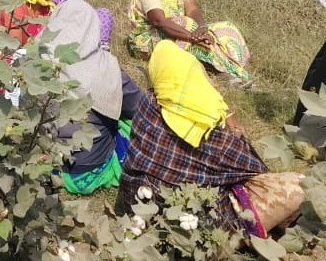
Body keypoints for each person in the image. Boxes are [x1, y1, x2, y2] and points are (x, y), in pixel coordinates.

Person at [117, 40, 303, 237]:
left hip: (135, 207)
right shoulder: (209, 131)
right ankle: (270, 233)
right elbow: (254, 168)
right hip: (190, 225)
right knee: (299, 186)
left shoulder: (147, 104)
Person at [45, 0, 146, 194]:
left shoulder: (37, 59)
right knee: (129, 123)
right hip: (87, 170)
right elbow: (140, 107)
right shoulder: (105, 69)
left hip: (44, 161)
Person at [128, 0, 252, 84]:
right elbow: (158, 21)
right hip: (148, 39)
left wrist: (202, 30)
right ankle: (222, 73)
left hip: (180, 31)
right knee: (186, 24)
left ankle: (234, 67)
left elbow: (193, 10)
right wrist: (191, 36)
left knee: (226, 28)